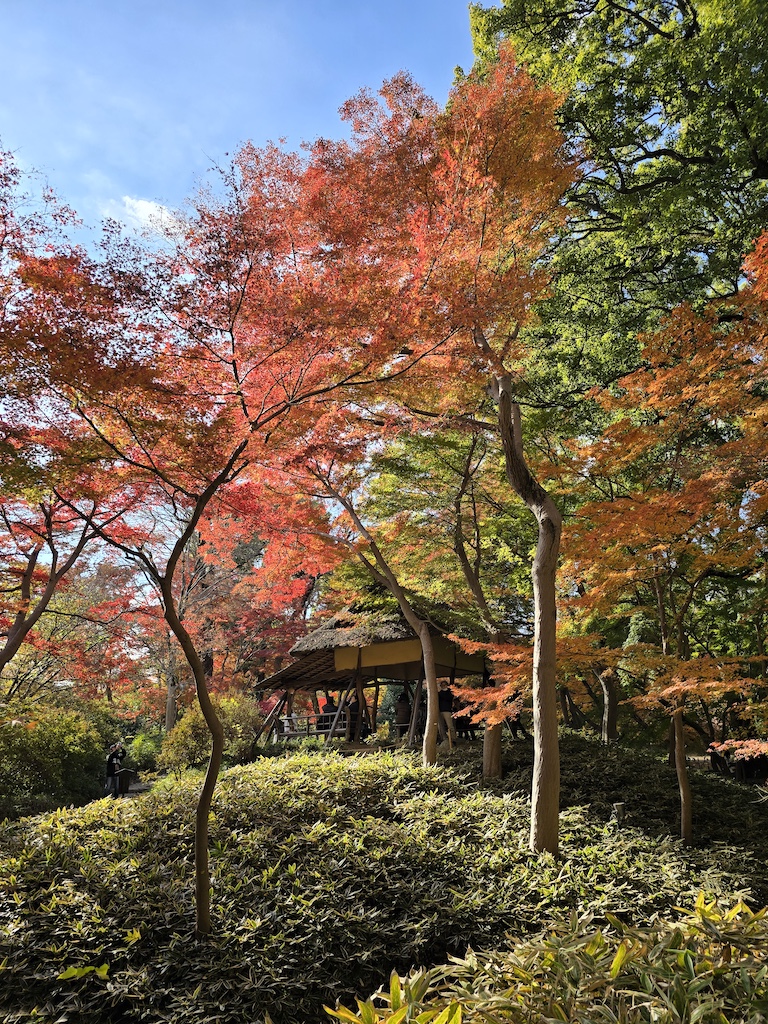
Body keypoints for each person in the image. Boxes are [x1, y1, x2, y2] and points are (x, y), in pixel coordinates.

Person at [437, 681, 457, 748]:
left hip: (447, 711)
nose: (443, 686)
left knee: (450, 726)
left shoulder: (449, 693)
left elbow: (448, 698)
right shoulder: (439, 693)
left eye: (444, 684)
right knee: (440, 726)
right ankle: (444, 738)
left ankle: (453, 739)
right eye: (442, 685)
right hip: (440, 711)